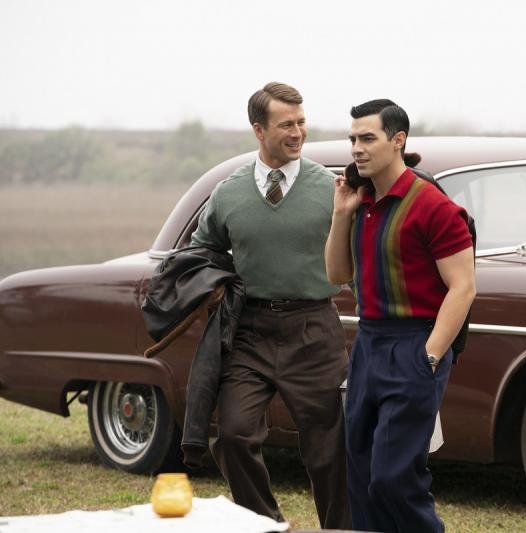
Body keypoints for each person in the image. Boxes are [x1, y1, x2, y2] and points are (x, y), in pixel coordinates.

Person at [190, 81, 350, 529]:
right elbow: (202, 250)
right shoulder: (228, 193)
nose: (297, 133)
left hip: (314, 328)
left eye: (301, 122)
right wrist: (213, 286)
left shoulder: (330, 189)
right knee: (234, 435)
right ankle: (265, 524)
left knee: (330, 450)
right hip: (250, 330)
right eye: (286, 125)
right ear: (258, 130)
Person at [325, 99, 476, 533]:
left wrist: (430, 356)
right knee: (360, 476)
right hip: (368, 344)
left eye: (367, 138)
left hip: (415, 344)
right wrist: (341, 213)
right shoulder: (363, 202)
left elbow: (463, 287)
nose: (357, 148)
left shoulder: (434, 207)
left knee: (394, 479)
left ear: (398, 141)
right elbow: (337, 275)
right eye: (353, 139)